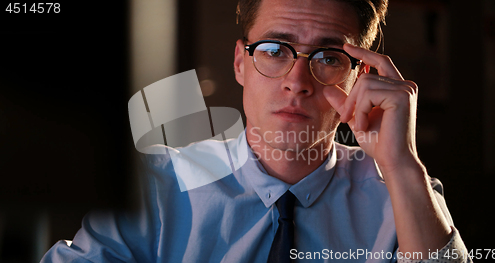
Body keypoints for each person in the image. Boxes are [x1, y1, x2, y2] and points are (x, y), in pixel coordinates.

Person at [41, 0, 471, 262]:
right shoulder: (154, 188)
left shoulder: (402, 193)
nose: (297, 81)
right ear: (240, 63)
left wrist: (401, 165)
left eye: (327, 57)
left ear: (358, 77)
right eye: (273, 50)